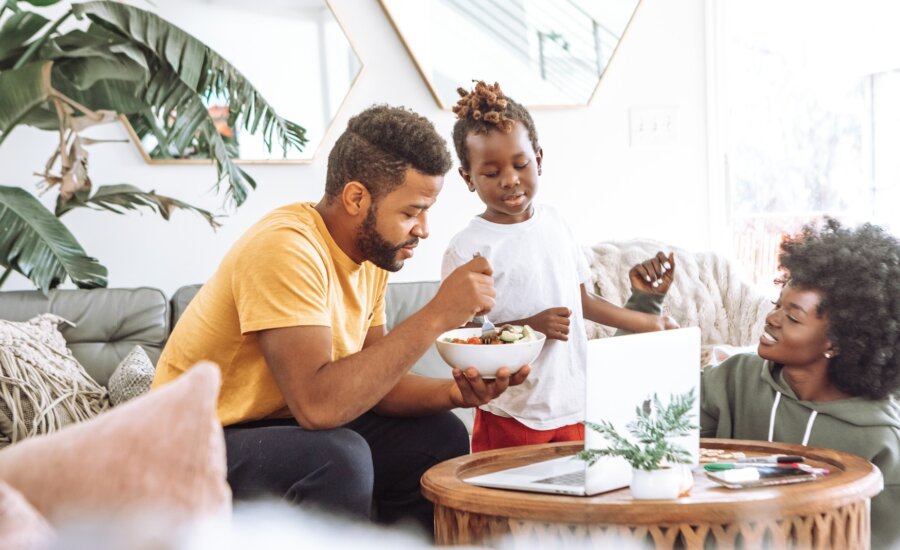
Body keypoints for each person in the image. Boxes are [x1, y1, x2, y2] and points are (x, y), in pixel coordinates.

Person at [151, 104, 530, 536]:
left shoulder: (372, 254)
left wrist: (456, 394)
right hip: (189, 443)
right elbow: (318, 406)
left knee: (438, 435)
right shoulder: (286, 249)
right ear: (356, 198)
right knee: (338, 455)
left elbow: (375, 386)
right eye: (411, 212)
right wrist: (440, 312)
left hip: (282, 426)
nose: (423, 229)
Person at [624, 218, 900, 549]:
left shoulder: (878, 438)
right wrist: (642, 305)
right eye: (776, 305)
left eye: (793, 317)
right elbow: (636, 418)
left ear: (837, 343)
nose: (772, 318)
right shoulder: (736, 378)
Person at [441, 81, 677, 452]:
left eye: (521, 164)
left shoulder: (556, 223)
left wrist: (651, 323)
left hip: (576, 406)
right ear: (468, 178)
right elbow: (462, 336)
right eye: (491, 172)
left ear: (539, 158)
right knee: (509, 507)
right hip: (512, 414)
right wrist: (528, 329)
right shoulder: (468, 248)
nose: (510, 179)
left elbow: (581, 301)